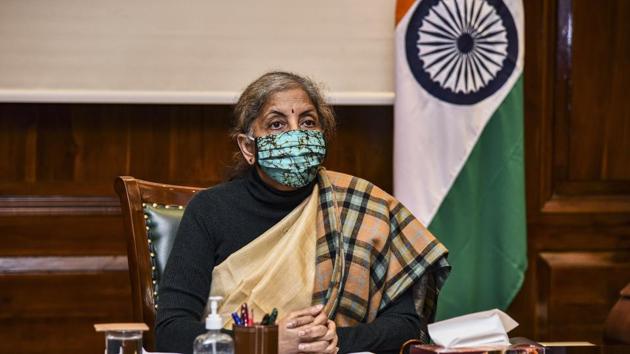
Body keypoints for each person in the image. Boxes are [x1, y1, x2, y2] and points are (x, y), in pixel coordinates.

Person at [155, 71, 450, 354]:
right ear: (248, 146)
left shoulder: (363, 206)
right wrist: (267, 344)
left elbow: (405, 325)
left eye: (308, 122)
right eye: (277, 124)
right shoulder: (210, 210)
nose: (296, 134)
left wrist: (332, 340)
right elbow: (171, 330)